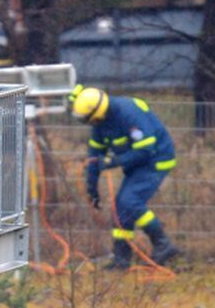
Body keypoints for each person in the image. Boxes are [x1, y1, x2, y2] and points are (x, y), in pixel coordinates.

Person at [69, 84, 181, 269]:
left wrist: (114, 161)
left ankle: (163, 245)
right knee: (120, 208)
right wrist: (92, 187)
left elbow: (146, 149)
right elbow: (94, 157)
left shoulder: (128, 113)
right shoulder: (100, 123)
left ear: (95, 114)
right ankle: (121, 259)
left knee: (130, 202)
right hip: (137, 165)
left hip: (156, 160)